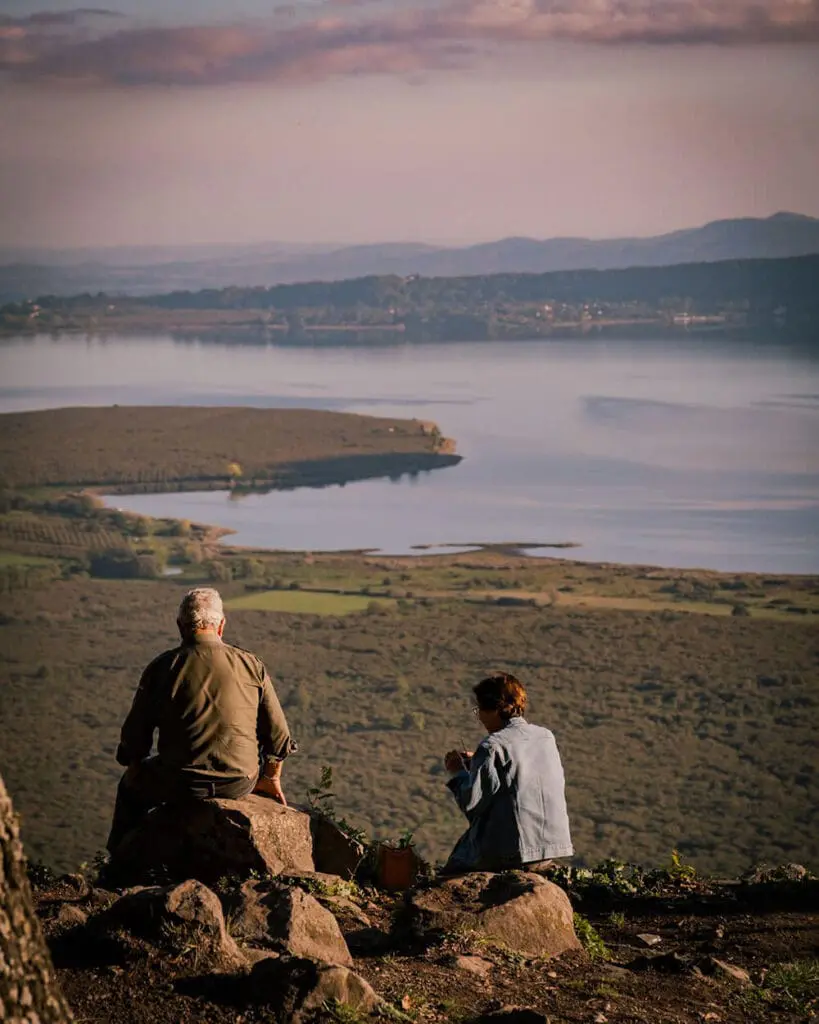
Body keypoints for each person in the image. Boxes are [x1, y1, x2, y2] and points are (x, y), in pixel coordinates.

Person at [106, 586, 295, 852]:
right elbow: (278, 737)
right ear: (221, 626)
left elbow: (135, 741)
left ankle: (119, 865)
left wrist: (132, 762)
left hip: (178, 782)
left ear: (180, 626)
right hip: (239, 781)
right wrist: (270, 777)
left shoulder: (162, 667)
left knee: (128, 789)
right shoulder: (251, 664)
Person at [442, 672, 573, 874]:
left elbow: (471, 802)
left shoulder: (492, 746)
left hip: (514, 851)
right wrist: (478, 760)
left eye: (479, 711)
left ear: (494, 710)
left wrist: (458, 771)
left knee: (457, 862)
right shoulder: (545, 736)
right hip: (549, 847)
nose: (480, 718)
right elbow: (520, 766)